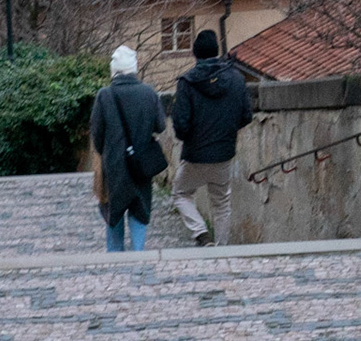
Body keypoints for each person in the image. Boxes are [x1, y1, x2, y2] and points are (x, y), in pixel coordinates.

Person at [169, 29, 253, 247]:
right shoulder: (236, 79)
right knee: (221, 203)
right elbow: (246, 115)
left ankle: (202, 233)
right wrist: (227, 130)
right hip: (224, 152)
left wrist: (189, 137)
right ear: (216, 51)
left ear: (195, 53)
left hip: (195, 154)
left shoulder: (187, 82)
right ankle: (222, 248)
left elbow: (181, 124)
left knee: (180, 194)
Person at [90, 45, 165, 252]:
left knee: (114, 213)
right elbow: (160, 125)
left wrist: (106, 151)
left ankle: (116, 257)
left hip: (114, 166)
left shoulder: (104, 96)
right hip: (141, 165)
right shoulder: (149, 93)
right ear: (134, 68)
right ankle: (138, 255)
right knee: (140, 210)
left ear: (114, 70)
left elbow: (97, 133)